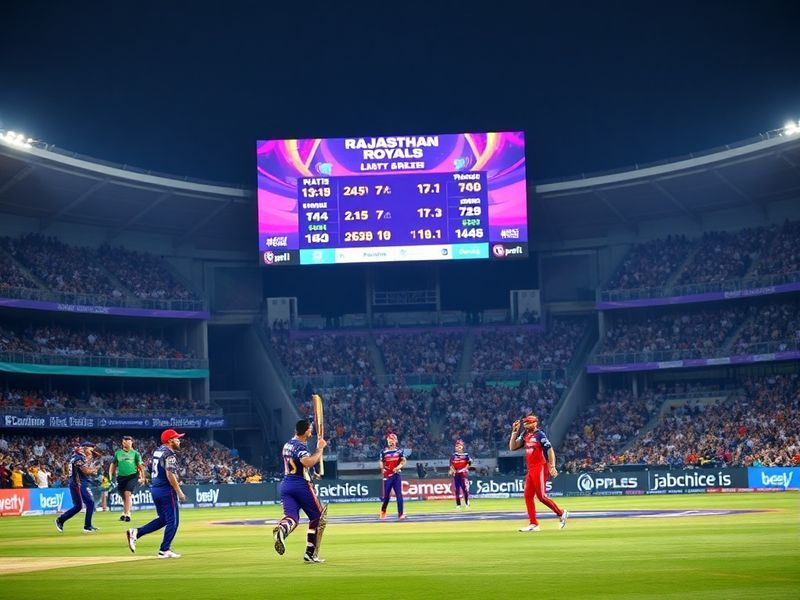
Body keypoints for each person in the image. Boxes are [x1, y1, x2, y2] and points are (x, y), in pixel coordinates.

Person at [272, 419, 327, 563]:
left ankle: (282, 531)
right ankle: (310, 553)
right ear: (305, 431)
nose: (311, 432)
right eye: (310, 429)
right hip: (301, 485)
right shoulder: (300, 447)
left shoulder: (287, 445)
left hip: (286, 485)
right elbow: (306, 461)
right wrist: (320, 449)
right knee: (318, 518)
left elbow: (299, 463)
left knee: (292, 517)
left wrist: (313, 472)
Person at [125, 429, 186, 558]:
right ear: (170, 441)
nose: (179, 440)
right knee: (173, 522)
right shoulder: (169, 454)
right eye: (176, 438)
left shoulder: (158, 451)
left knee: (164, 519)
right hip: (166, 490)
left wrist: (143, 477)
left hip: (155, 490)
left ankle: (136, 532)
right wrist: (179, 491)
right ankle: (164, 550)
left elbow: (148, 468)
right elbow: (170, 474)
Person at [509, 415, 568, 532]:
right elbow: (512, 447)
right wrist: (514, 432)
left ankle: (561, 513)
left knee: (541, 496)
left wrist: (552, 466)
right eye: (525, 423)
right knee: (527, 495)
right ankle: (533, 523)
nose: (525, 425)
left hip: (540, 467)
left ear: (535, 423)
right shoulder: (525, 434)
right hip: (531, 469)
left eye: (528, 423)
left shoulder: (540, 435)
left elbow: (550, 450)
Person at [55, 441, 99, 533]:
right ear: (86, 448)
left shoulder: (77, 456)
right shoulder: (79, 457)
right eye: (92, 448)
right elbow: (86, 471)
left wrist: (91, 464)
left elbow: (84, 468)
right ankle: (87, 526)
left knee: (78, 506)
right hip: (79, 484)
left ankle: (61, 520)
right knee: (90, 503)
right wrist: (94, 469)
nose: (93, 451)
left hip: (76, 484)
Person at [109, 435, 145, 522]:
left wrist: (142, 477)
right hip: (121, 477)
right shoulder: (118, 453)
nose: (126, 443)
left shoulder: (136, 454)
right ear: (122, 442)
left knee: (127, 493)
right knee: (123, 496)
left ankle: (128, 514)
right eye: (125, 441)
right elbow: (113, 464)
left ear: (132, 442)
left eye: (128, 441)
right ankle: (124, 512)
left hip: (132, 476)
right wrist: (110, 474)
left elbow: (140, 466)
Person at [379, 433, 407, 520]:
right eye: (391, 440)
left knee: (399, 495)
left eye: (394, 440)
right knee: (387, 496)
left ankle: (400, 514)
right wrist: (382, 469)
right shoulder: (384, 452)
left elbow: (403, 461)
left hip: (396, 475)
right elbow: (381, 461)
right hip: (388, 475)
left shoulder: (399, 451)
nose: (392, 442)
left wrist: (398, 467)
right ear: (388, 441)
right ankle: (383, 511)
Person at [449, 439, 472, 509]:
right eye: (457, 446)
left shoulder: (466, 455)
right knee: (457, 490)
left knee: (464, 489)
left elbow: (469, 464)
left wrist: (463, 469)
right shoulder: (453, 456)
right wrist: (454, 471)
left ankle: (467, 503)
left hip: (463, 474)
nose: (458, 447)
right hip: (456, 475)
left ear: (462, 447)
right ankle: (458, 505)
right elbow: (451, 465)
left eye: (460, 446)